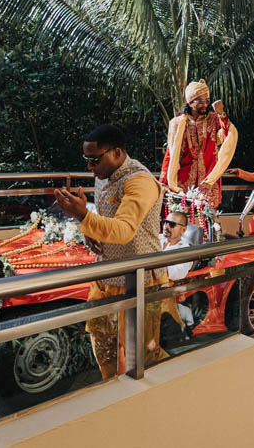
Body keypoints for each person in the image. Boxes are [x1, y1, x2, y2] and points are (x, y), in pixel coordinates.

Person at [54, 124, 174, 379]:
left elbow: (123, 230)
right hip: (107, 276)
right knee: (105, 349)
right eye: (86, 160)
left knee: (143, 356)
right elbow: (103, 216)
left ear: (117, 153)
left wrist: (82, 214)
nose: (90, 167)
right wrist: (89, 229)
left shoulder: (138, 181)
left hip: (139, 282)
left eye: (94, 160)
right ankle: (113, 399)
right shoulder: (104, 175)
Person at [161, 79, 238, 209]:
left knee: (209, 222)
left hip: (208, 181)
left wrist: (222, 114)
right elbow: (171, 153)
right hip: (183, 181)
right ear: (190, 102)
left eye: (206, 101)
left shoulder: (214, 119)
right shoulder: (176, 123)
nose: (205, 105)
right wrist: (164, 182)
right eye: (200, 101)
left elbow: (227, 135)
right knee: (183, 221)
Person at [160, 211, 192, 281]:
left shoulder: (185, 250)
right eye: (165, 222)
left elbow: (179, 272)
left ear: (183, 230)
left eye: (172, 224)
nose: (166, 226)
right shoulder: (157, 238)